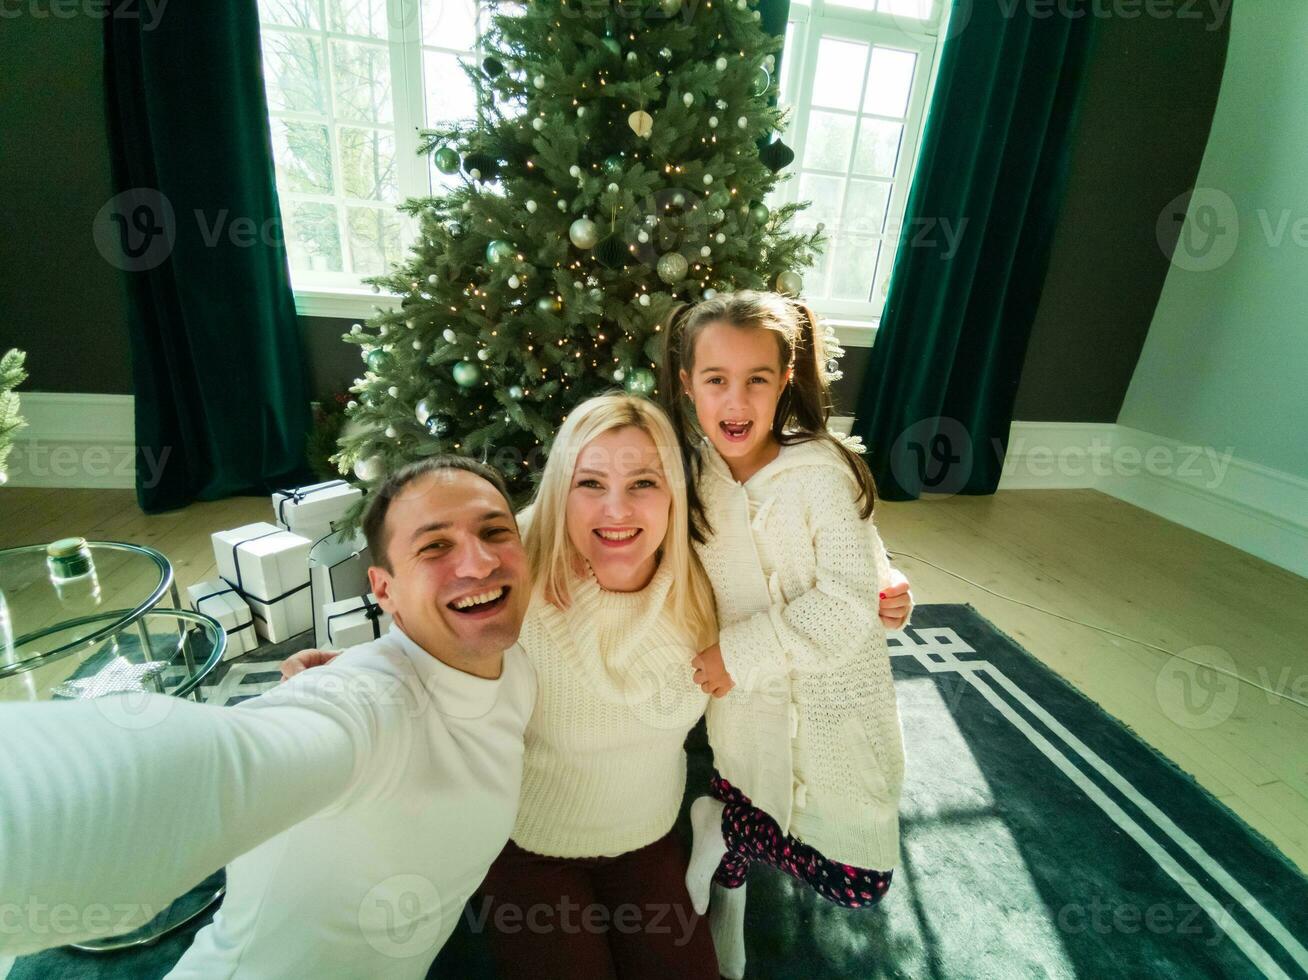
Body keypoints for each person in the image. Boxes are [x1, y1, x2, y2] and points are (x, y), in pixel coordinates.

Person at [0, 456, 537, 978]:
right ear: (383, 590)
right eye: (435, 545)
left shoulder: (516, 665)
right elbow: (217, 766)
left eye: (494, 533)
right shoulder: (364, 705)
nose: (480, 563)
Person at [286, 395, 721, 978]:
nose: (617, 509)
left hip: (646, 834)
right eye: (589, 483)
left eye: (644, 482)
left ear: (675, 493)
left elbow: (807, 568)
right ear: (560, 491)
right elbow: (438, 613)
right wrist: (357, 669)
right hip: (528, 846)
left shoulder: (708, 579)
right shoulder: (515, 562)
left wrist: (878, 588)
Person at [658, 290, 909, 980]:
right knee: (750, 803)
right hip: (747, 711)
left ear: (785, 381)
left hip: (838, 705)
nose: (735, 401)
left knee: (857, 879)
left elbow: (852, 576)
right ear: (688, 384)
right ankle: (727, 884)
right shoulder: (691, 481)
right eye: (716, 380)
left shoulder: (821, 473)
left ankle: (716, 828)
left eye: (756, 380)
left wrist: (889, 585)